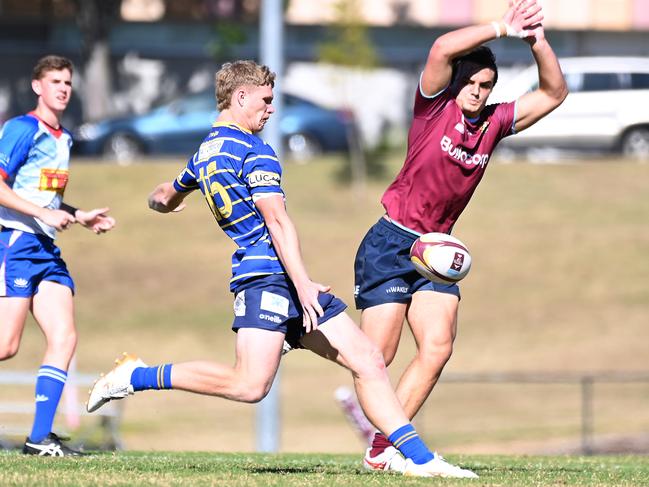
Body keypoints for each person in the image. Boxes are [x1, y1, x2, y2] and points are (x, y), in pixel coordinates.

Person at [87, 60, 478, 478]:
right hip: (268, 277)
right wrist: (304, 285)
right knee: (249, 385)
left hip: (276, 277)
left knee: (367, 358)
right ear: (240, 97)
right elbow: (277, 221)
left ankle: (417, 460)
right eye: (266, 100)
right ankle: (137, 375)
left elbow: (166, 195)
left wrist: (159, 201)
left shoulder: (205, 151)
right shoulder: (256, 152)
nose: (271, 109)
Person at [355, 0, 568, 471]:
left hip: (435, 251)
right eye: (470, 83)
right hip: (392, 241)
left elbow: (554, 93)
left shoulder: (492, 124)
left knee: (438, 346)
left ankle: (383, 446)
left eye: (485, 86)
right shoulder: (434, 107)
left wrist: (537, 41)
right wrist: (500, 28)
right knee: (378, 356)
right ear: (454, 84)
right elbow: (440, 47)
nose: (476, 92)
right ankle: (306, 332)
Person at [0, 55, 116, 456]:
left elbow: (47, 198)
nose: (63, 88)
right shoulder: (21, 129)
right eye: (55, 81)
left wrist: (78, 215)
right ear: (38, 87)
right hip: (16, 243)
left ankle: (38, 439)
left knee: (65, 337)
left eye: (67, 82)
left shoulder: (63, 138)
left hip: (47, 250)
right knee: (5, 345)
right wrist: (43, 213)